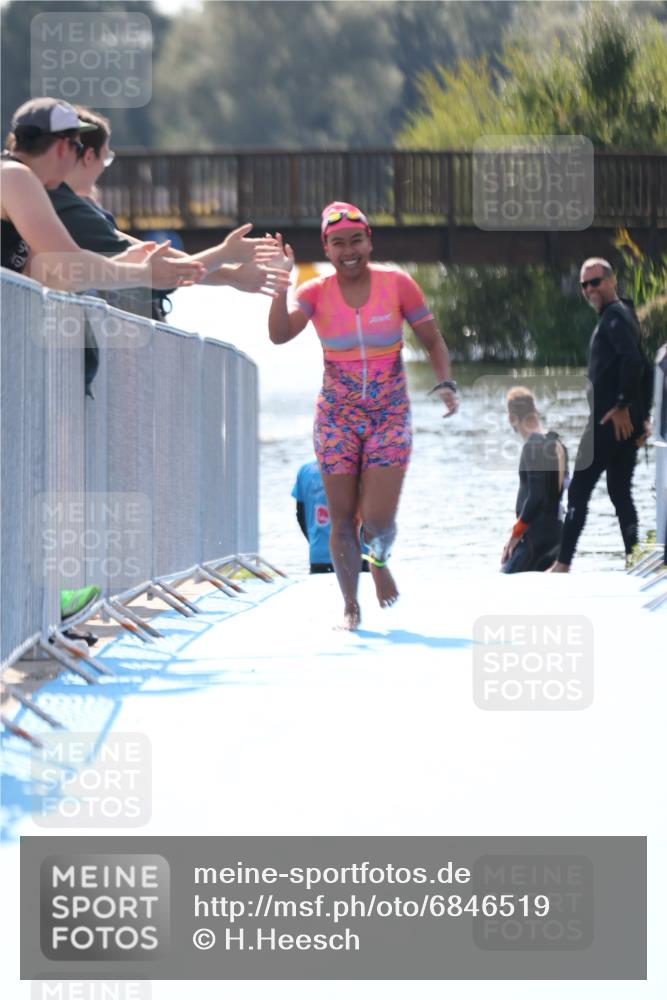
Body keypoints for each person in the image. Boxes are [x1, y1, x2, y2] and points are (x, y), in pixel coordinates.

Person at [268, 202, 458, 629]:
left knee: (377, 520)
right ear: (327, 248)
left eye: (356, 240)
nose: (348, 250)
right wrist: (281, 284)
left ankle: (379, 560)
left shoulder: (398, 285)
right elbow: (279, 335)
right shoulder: (314, 293)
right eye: (338, 243)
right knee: (341, 517)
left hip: (389, 415)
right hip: (336, 416)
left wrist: (446, 383)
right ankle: (350, 604)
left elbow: (434, 341)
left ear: (369, 241)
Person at [49, 107, 288, 314]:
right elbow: (160, 274)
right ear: (88, 156)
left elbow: (150, 255)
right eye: (106, 157)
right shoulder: (69, 209)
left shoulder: (81, 207)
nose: (104, 167)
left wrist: (230, 274)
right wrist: (226, 256)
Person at [1, 97, 206, 292]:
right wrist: (144, 274)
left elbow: (50, 281)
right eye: (78, 147)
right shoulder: (15, 176)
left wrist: (122, 262)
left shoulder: (18, 180)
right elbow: (71, 266)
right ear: (64, 147)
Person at [550, 257, 651, 572]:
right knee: (620, 492)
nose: (590, 289)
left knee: (579, 489)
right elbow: (646, 369)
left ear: (611, 281)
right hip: (625, 423)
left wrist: (622, 406)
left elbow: (634, 362)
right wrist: (642, 417)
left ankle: (562, 565)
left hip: (608, 423)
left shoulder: (614, 318)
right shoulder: (623, 314)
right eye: (585, 284)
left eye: (596, 281)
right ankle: (633, 559)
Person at [501, 387, 568, 573]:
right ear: (535, 411)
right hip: (556, 533)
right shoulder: (557, 443)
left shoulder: (532, 445)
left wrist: (515, 534)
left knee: (504, 584)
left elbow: (536, 496)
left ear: (512, 418)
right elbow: (564, 486)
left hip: (534, 537)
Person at [292, 459, 370, 574]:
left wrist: (316, 543)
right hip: (357, 557)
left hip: (319, 557)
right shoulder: (362, 469)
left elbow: (300, 516)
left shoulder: (305, 470)